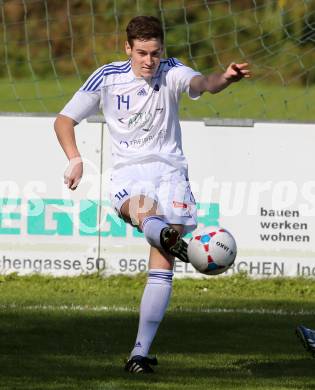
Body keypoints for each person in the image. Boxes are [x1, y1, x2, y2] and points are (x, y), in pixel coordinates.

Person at [54, 15, 250, 373]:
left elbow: (202, 83)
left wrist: (226, 78)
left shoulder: (171, 70)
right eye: (141, 53)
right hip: (131, 171)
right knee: (144, 212)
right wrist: (75, 158)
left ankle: (139, 355)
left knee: (162, 262)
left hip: (171, 172)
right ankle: (168, 236)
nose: (149, 61)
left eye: (155, 53)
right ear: (128, 48)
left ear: (162, 51)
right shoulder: (108, 78)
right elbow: (64, 120)